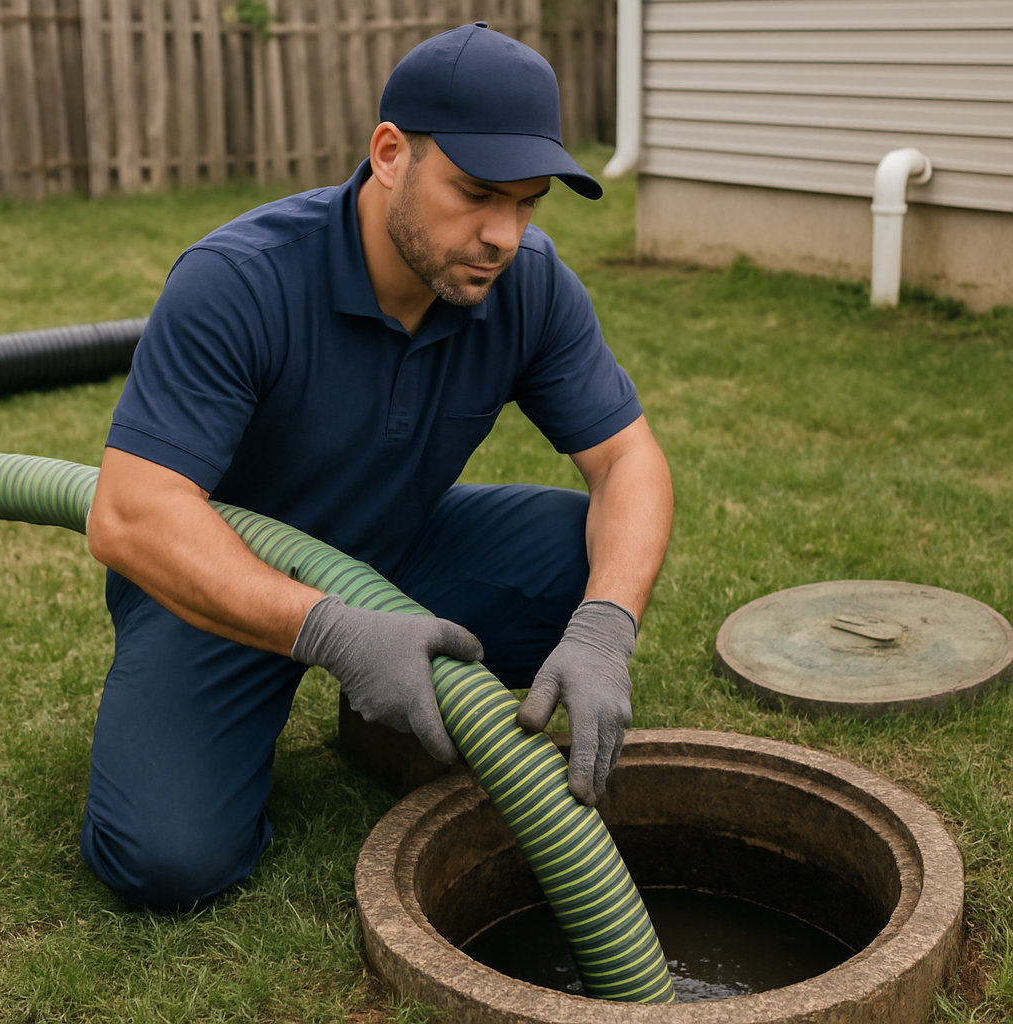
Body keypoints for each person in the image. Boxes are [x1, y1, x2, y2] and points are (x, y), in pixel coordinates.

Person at [83, 22, 673, 913]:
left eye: (528, 203)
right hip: (222, 584)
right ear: (390, 153)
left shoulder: (530, 284)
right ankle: (329, 682)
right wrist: (330, 632)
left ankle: (384, 704)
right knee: (168, 862)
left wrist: (602, 633)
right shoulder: (240, 282)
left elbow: (629, 459)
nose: (503, 235)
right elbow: (131, 513)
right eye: (475, 194)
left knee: (584, 563)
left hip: (398, 550)